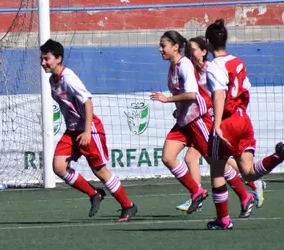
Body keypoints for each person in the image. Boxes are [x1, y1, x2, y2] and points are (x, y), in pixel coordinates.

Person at [203, 20, 284, 230]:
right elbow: (246, 89)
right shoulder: (238, 62)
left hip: (228, 120)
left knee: (216, 171)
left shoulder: (214, 66)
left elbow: (219, 94)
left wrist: (218, 124)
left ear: (208, 43)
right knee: (248, 172)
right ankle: (278, 156)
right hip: (243, 118)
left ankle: (223, 220)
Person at [154, 35, 263, 214]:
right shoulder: (175, 66)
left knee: (216, 163)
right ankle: (197, 191)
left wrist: (167, 100)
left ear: (175, 47)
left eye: (163, 45)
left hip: (198, 119)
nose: (160, 49)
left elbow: (191, 94)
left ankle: (246, 194)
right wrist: (177, 107)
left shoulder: (186, 65)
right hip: (184, 120)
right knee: (168, 157)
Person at [41, 39, 137, 222]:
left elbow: (87, 102)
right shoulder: (52, 79)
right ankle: (94, 194)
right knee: (58, 167)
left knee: (100, 170)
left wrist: (86, 131)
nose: (43, 62)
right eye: (42, 58)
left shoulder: (68, 78)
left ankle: (128, 206)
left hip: (89, 128)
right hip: (72, 130)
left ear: (58, 58)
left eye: (47, 59)